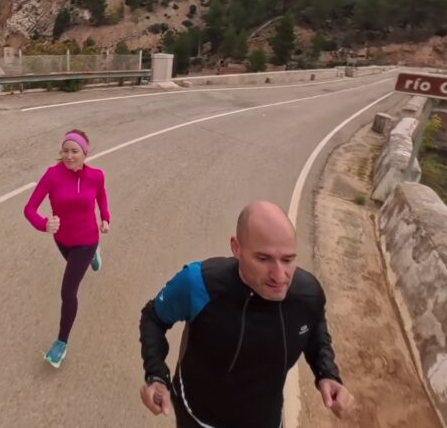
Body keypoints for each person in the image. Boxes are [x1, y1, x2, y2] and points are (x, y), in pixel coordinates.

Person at [138, 200, 354, 427]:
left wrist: (327, 373)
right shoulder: (199, 284)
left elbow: (314, 329)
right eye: (263, 259)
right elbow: (153, 318)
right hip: (198, 419)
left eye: (288, 259)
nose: (280, 277)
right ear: (236, 247)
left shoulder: (308, 294)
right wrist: (156, 375)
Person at [24, 129, 110, 368]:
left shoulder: (96, 176)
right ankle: (93, 257)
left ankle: (61, 344)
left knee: (67, 291)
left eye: (75, 151)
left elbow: (101, 196)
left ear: (85, 152)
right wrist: (44, 224)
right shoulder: (52, 175)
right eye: (65, 151)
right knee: (73, 268)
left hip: (87, 239)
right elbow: (29, 209)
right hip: (62, 239)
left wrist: (105, 217)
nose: (69, 156)